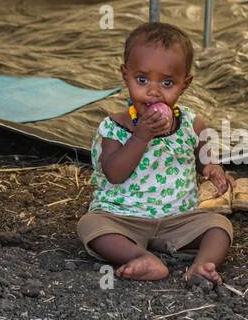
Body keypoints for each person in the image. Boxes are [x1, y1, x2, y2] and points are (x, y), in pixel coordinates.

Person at [77, 21, 232, 286]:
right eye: (142, 79)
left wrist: (211, 167)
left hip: (178, 219)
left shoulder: (191, 124)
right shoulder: (113, 127)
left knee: (219, 226)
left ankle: (200, 267)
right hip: (122, 217)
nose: (153, 91)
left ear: (185, 84)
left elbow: (203, 154)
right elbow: (114, 173)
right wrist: (141, 136)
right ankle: (140, 257)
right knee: (90, 225)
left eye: (168, 82)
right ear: (125, 75)